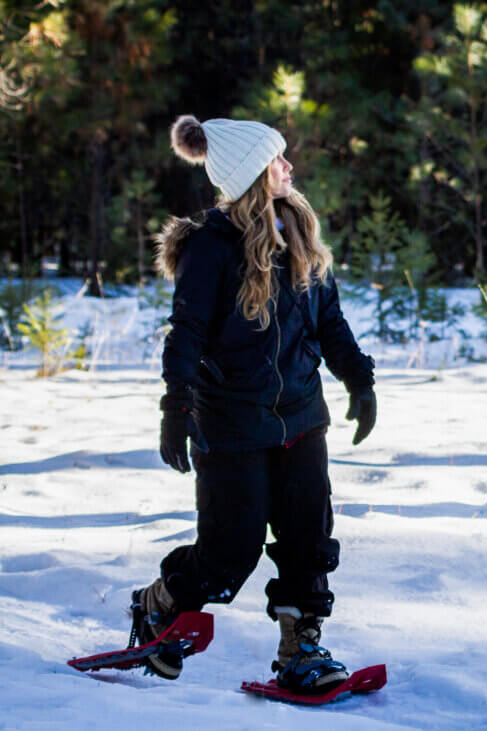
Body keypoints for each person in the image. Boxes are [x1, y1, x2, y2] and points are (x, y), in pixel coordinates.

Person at [132, 115, 377, 694]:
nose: (289, 168)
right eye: (277, 160)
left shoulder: (300, 234)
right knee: (229, 551)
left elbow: (330, 323)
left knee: (307, 540)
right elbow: (186, 333)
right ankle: (159, 603)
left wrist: (358, 380)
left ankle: (301, 649)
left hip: (300, 419)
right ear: (251, 175)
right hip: (232, 425)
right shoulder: (210, 249)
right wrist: (177, 408)